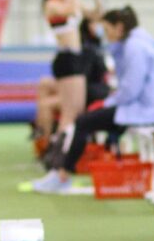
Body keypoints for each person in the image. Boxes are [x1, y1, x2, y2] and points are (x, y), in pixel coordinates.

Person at [30, 6, 154, 194]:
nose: (105, 34)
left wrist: (107, 103)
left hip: (147, 110)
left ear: (119, 28)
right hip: (145, 106)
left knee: (83, 122)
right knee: (87, 120)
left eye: (108, 30)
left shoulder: (135, 48)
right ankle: (61, 173)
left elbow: (130, 90)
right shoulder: (132, 45)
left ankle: (62, 175)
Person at [40, 0, 104, 143]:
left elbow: (96, 15)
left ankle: (61, 150)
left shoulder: (72, 2)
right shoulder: (52, 3)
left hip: (76, 58)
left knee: (76, 110)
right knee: (70, 113)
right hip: (66, 58)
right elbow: (69, 10)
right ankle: (57, 154)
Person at [32, 11, 110, 145]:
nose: (100, 27)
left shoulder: (89, 48)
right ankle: (45, 139)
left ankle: (49, 143)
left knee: (47, 105)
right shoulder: (88, 46)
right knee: (45, 87)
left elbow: (86, 77)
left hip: (87, 90)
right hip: (86, 86)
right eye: (96, 23)